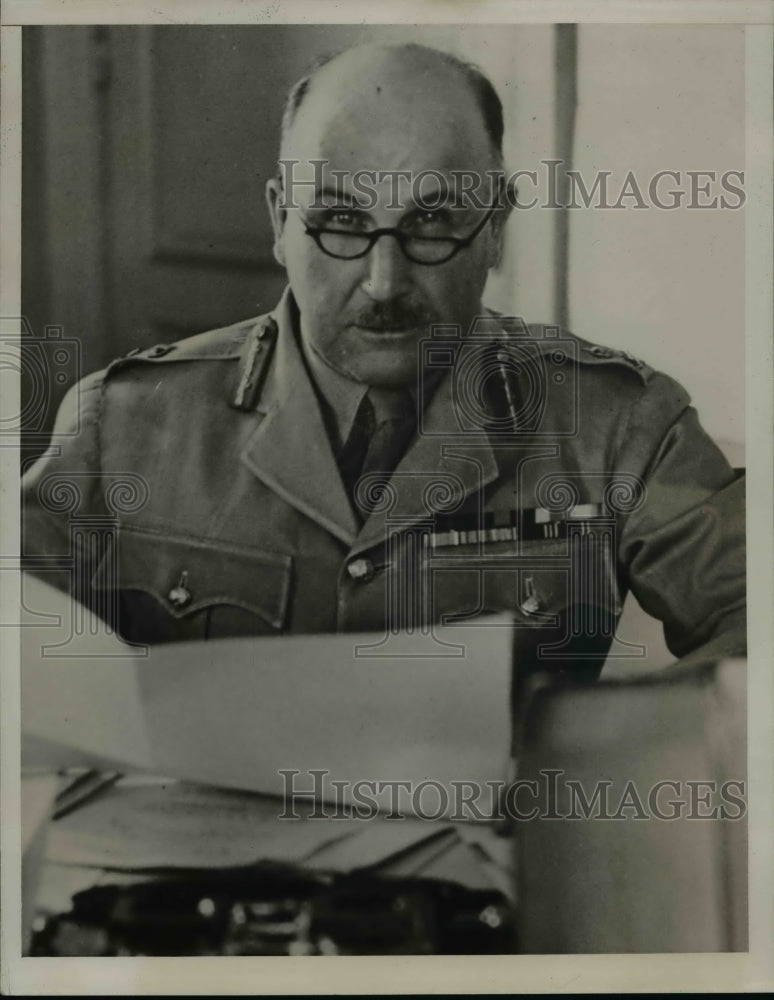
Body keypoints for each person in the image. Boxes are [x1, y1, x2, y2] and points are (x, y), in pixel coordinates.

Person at [21, 42, 745, 681]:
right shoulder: (125, 423)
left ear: (495, 228)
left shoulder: (620, 428)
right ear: (279, 223)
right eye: (340, 221)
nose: (384, 282)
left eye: (432, 221)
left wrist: (609, 765)